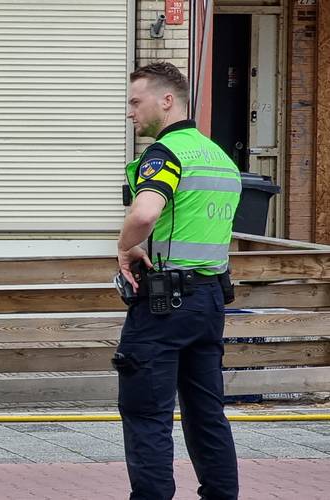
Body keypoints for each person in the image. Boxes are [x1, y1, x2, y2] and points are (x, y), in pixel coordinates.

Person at [115, 62, 240, 500]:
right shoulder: (220, 157)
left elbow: (147, 212)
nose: (130, 113)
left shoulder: (166, 154)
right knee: (207, 414)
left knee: (147, 414)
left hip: (165, 304)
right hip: (209, 302)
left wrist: (126, 246)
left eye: (136, 102)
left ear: (167, 100)